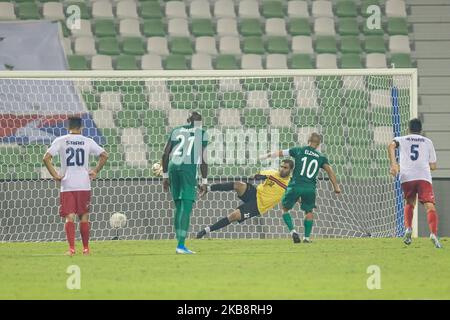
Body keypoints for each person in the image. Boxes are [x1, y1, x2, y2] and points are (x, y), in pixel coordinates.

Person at [43, 116, 108, 256]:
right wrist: (95, 170)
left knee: (70, 216)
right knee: (84, 216)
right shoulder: (88, 141)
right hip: (84, 184)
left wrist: (55, 174)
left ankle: (72, 249)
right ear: (82, 128)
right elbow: (104, 155)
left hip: (67, 184)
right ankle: (86, 249)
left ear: (68, 127)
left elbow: (46, 158)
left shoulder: (61, 140)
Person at [260, 133, 341, 242]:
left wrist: (266, 156)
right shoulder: (321, 157)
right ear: (318, 144)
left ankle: (293, 231)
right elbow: (330, 171)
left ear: (308, 140)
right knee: (309, 212)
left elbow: (280, 153)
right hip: (310, 188)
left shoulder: (299, 150)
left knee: (285, 208)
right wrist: (336, 186)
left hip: (295, 185)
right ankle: (306, 238)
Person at [196, 160, 301, 242]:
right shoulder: (272, 173)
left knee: (233, 216)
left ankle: (205, 231)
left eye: (285, 168)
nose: (282, 169)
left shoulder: (290, 184)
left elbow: (297, 196)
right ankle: (208, 188)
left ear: (290, 170)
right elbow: (256, 175)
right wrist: (256, 176)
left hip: (258, 206)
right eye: (281, 166)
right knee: (238, 184)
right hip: (255, 193)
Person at [388, 118, 441, 248]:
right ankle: (433, 234)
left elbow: (390, 145)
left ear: (408, 129)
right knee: (429, 206)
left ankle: (408, 229)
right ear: (421, 130)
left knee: (410, 202)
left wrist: (394, 164)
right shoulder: (428, 142)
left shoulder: (402, 139)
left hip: (407, 176)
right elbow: (433, 166)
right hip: (423, 177)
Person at [162, 111, 208, 254]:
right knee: (186, 207)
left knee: (179, 206)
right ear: (200, 122)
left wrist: (165, 176)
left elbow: (165, 154)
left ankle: (179, 242)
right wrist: (204, 181)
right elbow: (203, 159)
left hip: (173, 167)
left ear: (188, 120)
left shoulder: (176, 130)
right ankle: (181, 246)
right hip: (187, 168)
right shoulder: (202, 133)